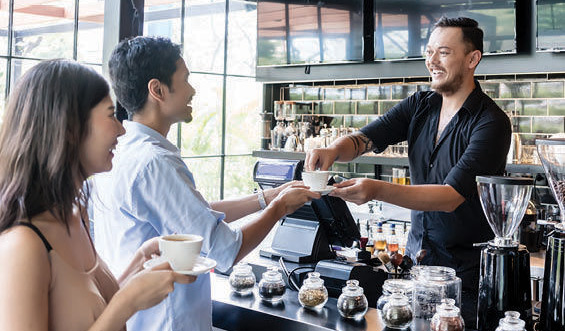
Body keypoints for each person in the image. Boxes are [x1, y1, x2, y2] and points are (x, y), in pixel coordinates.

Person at [90, 36, 319, 331]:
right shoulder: (155, 162)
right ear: (157, 90)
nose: (193, 90)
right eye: (185, 79)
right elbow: (225, 251)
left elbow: (191, 215)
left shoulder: (121, 151)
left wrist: (266, 197)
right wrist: (278, 209)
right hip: (165, 322)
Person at [305, 17, 511, 325]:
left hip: (466, 279)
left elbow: (450, 196)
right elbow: (365, 138)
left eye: (443, 52)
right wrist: (333, 150)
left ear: (472, 59)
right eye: (429, 52)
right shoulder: (420, 105)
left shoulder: (491, 122)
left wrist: (375, 189)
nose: (431, 61)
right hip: (416, 267)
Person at [0, 59, 195, 331]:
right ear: (69, 128)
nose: (122, 128)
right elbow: (112, 312)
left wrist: (139, 263)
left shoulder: (76, 215)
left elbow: (93, 311)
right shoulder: (25, 245)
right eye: (111, 114)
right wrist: (128, 302)